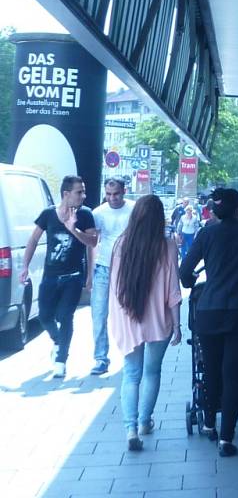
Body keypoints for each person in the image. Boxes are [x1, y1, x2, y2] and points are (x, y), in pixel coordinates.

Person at [179, 188, 238, 457]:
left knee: (211, 371)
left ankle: (209, 423)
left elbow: (184, 271)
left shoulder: (206, 234)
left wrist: (193, 282)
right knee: (234, 375)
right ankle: (226, 439)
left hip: (209, 312)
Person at [108, 195, 182, 451]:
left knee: (131, 374)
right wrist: (178, 324)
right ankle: (144, 422)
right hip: (158, 319)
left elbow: (114, 288)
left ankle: (130, 429)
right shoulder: (168, 245)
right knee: (152, 372)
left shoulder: (121, 245)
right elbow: (174, 289)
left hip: (128, 318)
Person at [19, 175, 97, 378]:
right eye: (79, 192)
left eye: (84, 191)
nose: (83, 195)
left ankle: (61, 360)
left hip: (73, 276)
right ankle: (57, 341)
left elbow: (93, 242)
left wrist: (74, 229)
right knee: (44, 315)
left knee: (65, 316)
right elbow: (33, 240)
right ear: (66, 194)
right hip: (50, 276)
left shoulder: (85, 214)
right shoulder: (48, 215)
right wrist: (25, 266)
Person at [89, 177, 134, 375]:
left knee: (130, 313)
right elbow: (93, 242)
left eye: (116, 194)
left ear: (124, 191)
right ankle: (100, 358)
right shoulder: (98, 213)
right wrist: (90, 272)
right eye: (108, 194)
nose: (112, 198)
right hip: (103, 267)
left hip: (127, 268)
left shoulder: (134, 209)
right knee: (98, 314)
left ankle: (131, 355)